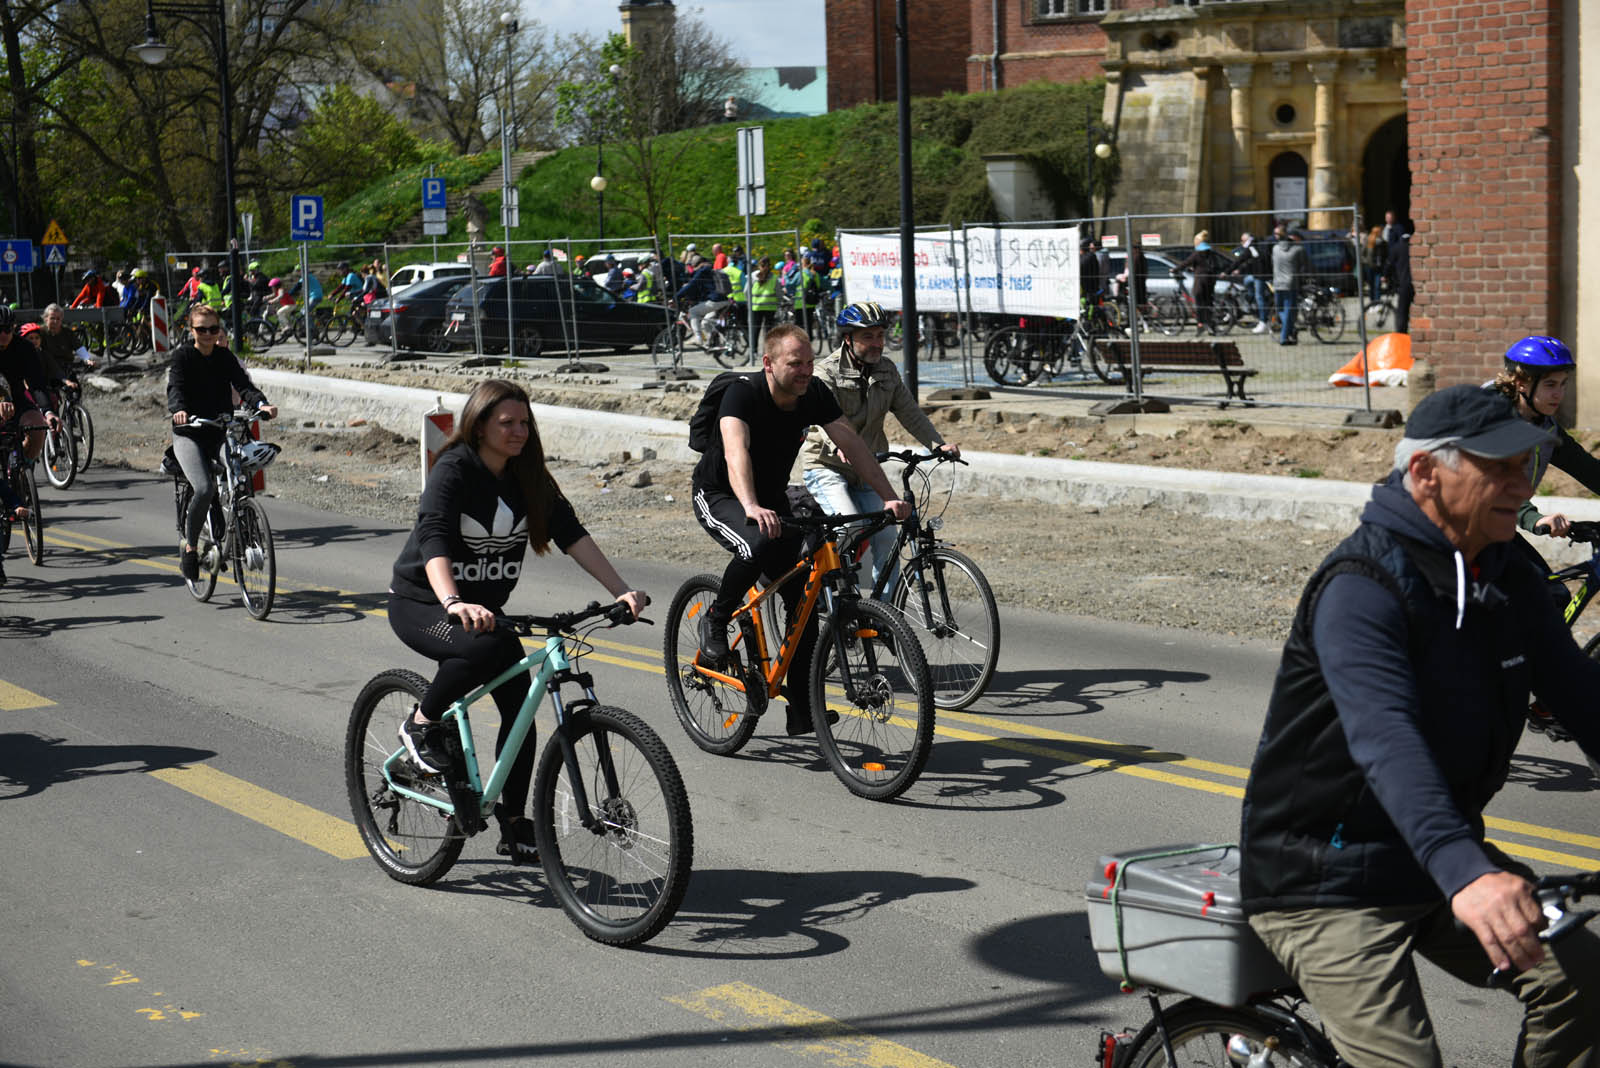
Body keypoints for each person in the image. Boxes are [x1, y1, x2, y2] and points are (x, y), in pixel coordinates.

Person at [1240, 384, 1600, 1068]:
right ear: (1426, 474)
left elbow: (1585, 699)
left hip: (1429, 859)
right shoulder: (1363, 587)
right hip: (1324, 879)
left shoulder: (1509, 577)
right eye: (1494, 467)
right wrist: (1469, 873)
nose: (1517, 482)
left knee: (1583, 977)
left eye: (1523, 465)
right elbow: (1387, 741)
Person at [388, 378, 646, 862]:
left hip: (484, 616)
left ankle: (513, 821)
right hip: (424, 603)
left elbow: (574, 536)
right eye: (507, 422)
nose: (519, 431)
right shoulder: (455, 469)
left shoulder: (528, 476)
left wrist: (621, 592)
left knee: (520, 706)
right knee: (481, 650)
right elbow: (435, 538)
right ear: (480, 425)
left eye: (525, 422)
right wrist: (452, 602)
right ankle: (421, 725)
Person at [691, 323, 911, 737]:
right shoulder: (744, 393)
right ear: (768, 364)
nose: (805, 370)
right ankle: (716, 621)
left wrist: (887, 497)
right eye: (795, 363)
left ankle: (802, 706)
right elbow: (736, 451)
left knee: (804, 598)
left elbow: (855, 446)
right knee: (755, 542)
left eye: (810, 362)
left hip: (771, 499)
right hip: (722, 493)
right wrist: (751, 505)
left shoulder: (813, 396)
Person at [801, 302, 958, 589]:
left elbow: (909, 412)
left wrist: (939, 444)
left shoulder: (886, 370)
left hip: (868, 467)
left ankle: (882, 620)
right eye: (868, 337)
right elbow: (823, 419)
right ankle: (819, 582)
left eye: (880, 336)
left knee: (888, 536)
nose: (877, 344)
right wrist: (838, 445)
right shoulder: (825, 373)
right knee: (850, 525)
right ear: (848, 338)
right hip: (827, 466)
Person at [167, 304, 278, 581]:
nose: (207, 334)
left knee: (240, 474)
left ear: (219, 330)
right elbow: (176, 387)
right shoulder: (182, 357)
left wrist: (262, 404)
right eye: (201, 329)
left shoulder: (224, 356)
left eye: (213, 329)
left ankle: (241, 533)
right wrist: (179, 410)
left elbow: (244, 386)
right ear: (191, 331)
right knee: (203, 488)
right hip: (190, 432)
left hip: (220, 431)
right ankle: (191, 548)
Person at [0, 305, 53, 461]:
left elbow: (36, 383)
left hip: (17, 399)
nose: (3, 334)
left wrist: (48, 412)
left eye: (7, 329)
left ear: (14, 328)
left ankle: (22, 469)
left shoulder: (25, 348)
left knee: (38, 427)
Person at [37, 304, 95, 403]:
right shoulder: (40, 333)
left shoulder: (67, 333)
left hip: (66, 367)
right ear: (45, 318)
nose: (55, 322)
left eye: (58, 319)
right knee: (51, 398)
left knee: (76, 391)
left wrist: (87, 359)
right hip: (49, 370)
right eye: (52, 318)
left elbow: (78, 347)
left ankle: (73, 412)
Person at [1176, 230, 1224, 334]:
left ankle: (1201, 324)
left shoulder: (1197, 253)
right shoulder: (1211, 252)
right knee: (1208, 303)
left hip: (1200, 282)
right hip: (1211, 281)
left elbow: (1186, 263)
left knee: (1199, 304)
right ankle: (1210, 325)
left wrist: (1175, 269)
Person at [674, 255, 727, 346]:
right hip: (723, 299)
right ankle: (713, 343)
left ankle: (698, 338)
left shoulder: (702, 271)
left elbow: (691, 285)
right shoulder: (710, 270)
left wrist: (676, 297)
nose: (693, 269)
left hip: (715, 300)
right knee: (705, 322)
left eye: (693, 266)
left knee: (693, 312)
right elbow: (701, 289)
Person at [1228, 232, 1271, 333]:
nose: (1241, 242)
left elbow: (1242, 260)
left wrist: (1229, 271)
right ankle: (1250, 297)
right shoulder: (1256, 246)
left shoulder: (1253, 247)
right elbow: (1247, 261)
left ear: (1248, 240)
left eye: (1243, 240)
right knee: (1247, 281)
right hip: (1257, 275)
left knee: (1259, 297)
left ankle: (1263, 321)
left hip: (1260, 276)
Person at [1271, 228, 1306, 345]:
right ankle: (1284, 337)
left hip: (1277, 283)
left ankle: (1288, 332)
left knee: (1281, 309)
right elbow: (1303, 265)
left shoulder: (1275, 249)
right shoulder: (1298, 249)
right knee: (1289, 311)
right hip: (1291, 284)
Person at [748, 256, 780, 348]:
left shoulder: (753, 276)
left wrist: (750, 302)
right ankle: (768, 350)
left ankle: (753, 351)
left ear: (759, 266)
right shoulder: (774, 277)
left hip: (756, 307)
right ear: (770, 266)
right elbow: (779, 293)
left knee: (755, 330)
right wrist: (779, 303)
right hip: (770, 307)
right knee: (769, 331)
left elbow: (746, 291)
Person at [1389, 219, 1415, 335]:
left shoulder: (1397, 248)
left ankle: (1402, 336)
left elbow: (1389, 264)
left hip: (1403, 284)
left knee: (1402, 312)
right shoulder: (1414, 247)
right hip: (1416, 284)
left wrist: (1385, 276)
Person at [1361, 226, 1388, 299]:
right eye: (1380, 232)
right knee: (1371, 286)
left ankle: (1377, 302)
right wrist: (1367, 262)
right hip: (1369, 267)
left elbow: (1386, 255)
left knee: (1377, 286)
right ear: (1376, 233)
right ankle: (1372, 302)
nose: (1381, 233)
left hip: (1379, 267)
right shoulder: (1368, 241)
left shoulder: (1383, 243)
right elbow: (1362, 254)